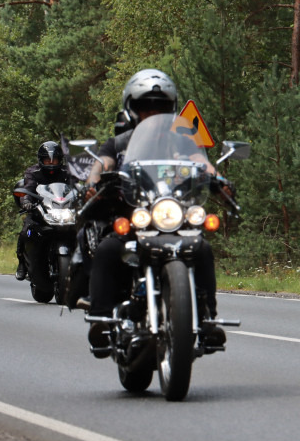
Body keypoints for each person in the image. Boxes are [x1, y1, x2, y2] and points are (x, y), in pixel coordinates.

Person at [80, 69, 230, 351]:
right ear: (132, 109)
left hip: (174, 219)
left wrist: (216, 178)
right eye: (145, 106)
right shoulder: (118, 143)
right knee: (109, 249)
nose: (152, 112)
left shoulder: (183, 141)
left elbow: (202, 161)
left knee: (202, 249)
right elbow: (101, 165)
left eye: (159, 107)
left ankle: (208, 319)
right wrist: (93, 182)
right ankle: (101, 318)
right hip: (134, 218)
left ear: (170, 109)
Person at [15, 141, 73, 280]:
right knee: (26, 231)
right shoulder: (33, 173)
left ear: (60, 159)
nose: (51, 163)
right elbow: (28, 189)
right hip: (40, 211)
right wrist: (27, 202)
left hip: (64, 211)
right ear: (41, 160)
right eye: (48, 160)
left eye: (55, 159)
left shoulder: (67, 172)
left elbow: (77, 187)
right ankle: (22, 263)